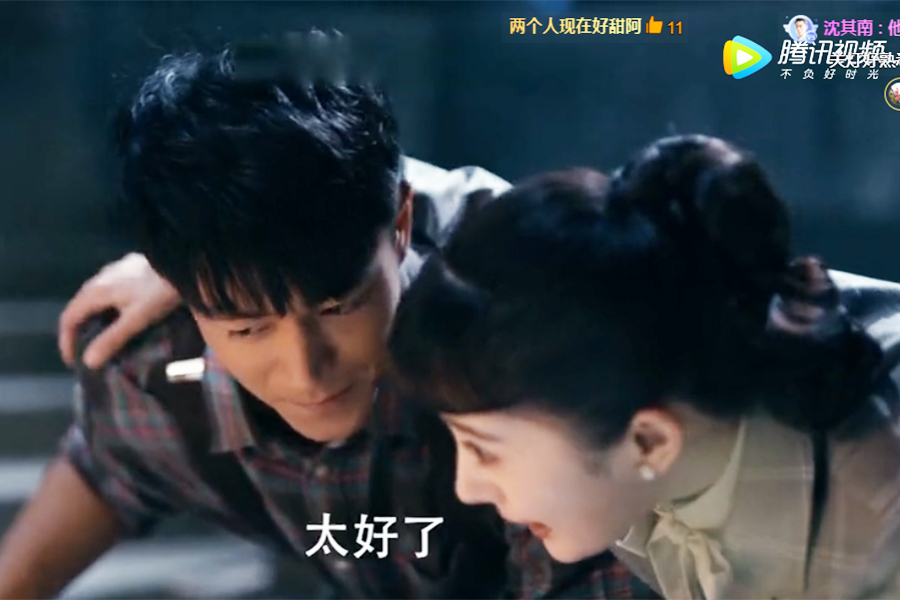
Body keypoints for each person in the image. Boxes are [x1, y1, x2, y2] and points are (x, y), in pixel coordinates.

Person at [0, 39, 645, 599]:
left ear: (400, 224)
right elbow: (96, 482)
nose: (306, 372)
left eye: (340, 306)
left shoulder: (525, 318)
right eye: (248, 327)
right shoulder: (158, 359)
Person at [385, 135, 900, 599]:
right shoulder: (637, 447)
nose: (467, 487)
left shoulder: (878, 496)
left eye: (484, 449)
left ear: (649, 442)